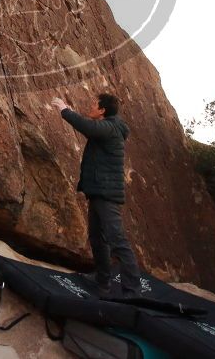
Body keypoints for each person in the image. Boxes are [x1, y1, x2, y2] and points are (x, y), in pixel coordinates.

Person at [51, 93, 142, 299]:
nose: (90, 106)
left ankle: (133, 292)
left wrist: (65, 109)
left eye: (94, 104)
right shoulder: (110, 127)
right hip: (98, 192)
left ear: (102, 110)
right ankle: (102, 279)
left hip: (106, 194)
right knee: (97, 237)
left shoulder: (110, 127)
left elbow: (88, 127)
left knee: (117, 240)